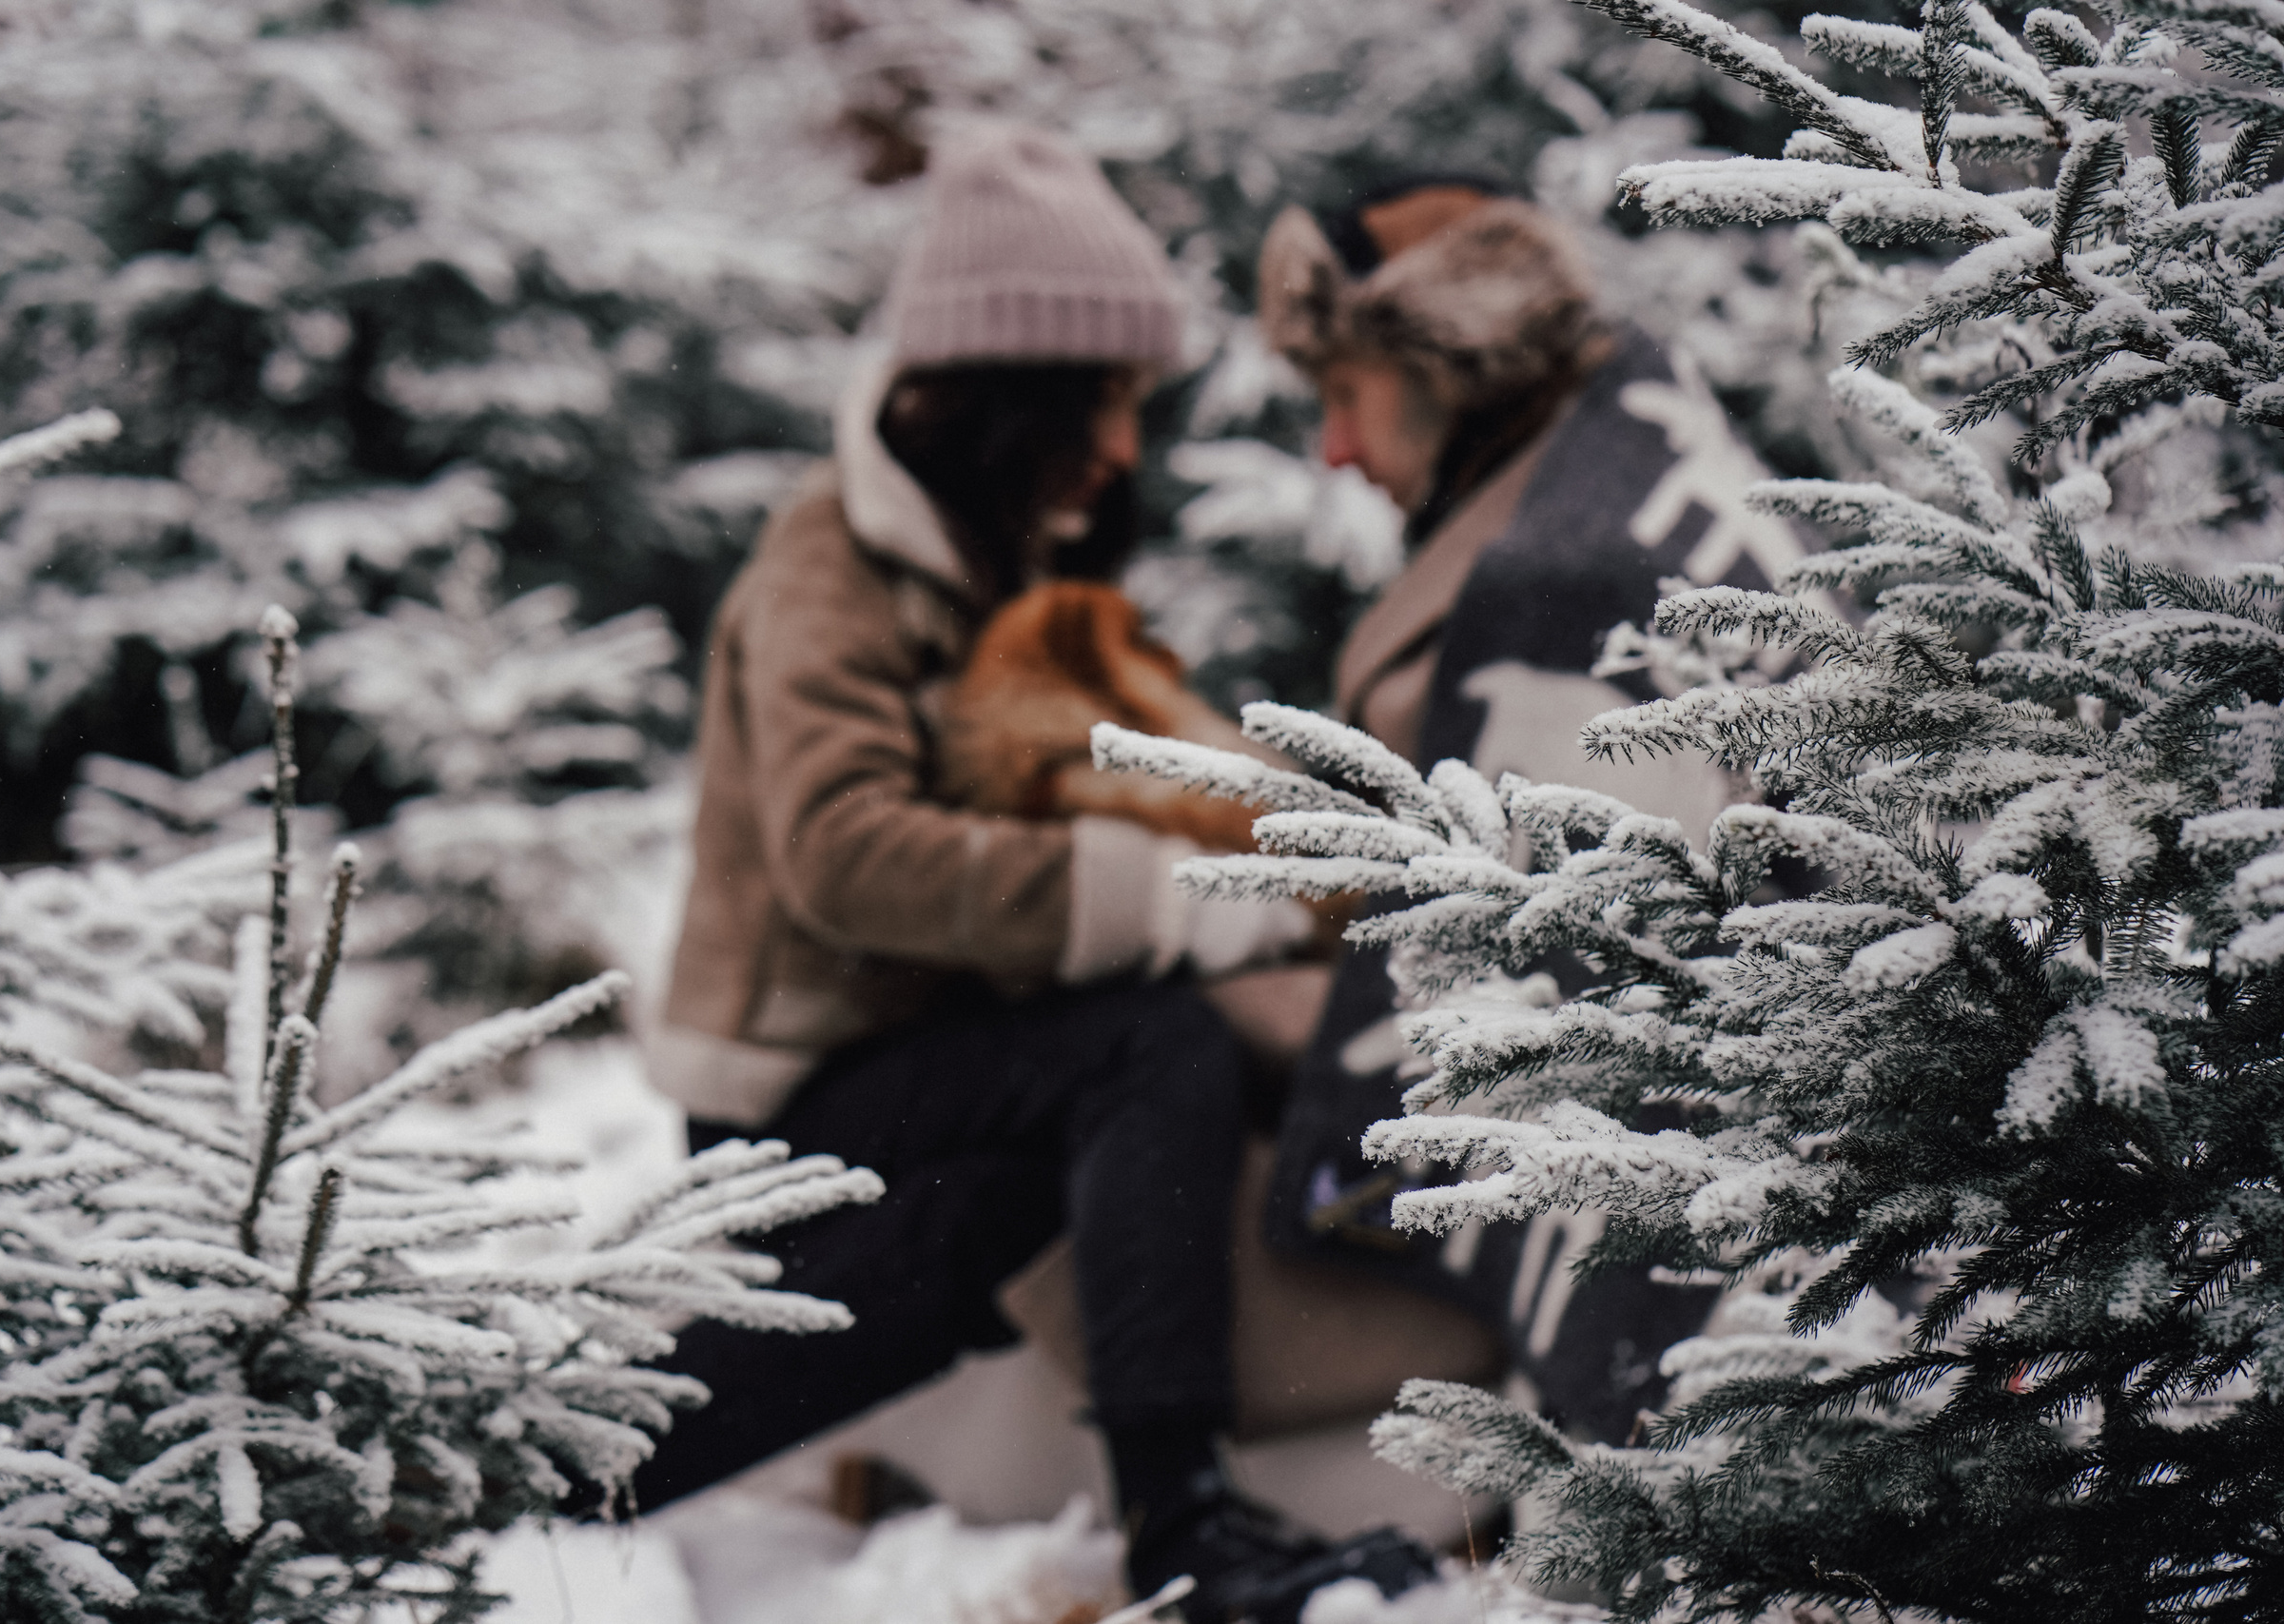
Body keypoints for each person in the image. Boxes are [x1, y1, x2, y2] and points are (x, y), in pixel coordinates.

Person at [635, 124, 1435, 1620]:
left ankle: (553, 1466)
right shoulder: (832, 568)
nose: (1124, 449)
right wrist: (1162, 903)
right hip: (790, 1112)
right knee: (1149, 1049)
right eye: (1101, 408)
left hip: (931, 1067)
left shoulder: (983, 558)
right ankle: (1188, 1522)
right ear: (1003, 399)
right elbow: (842, 857)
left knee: (980, 1225)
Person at [1255, 178, 1804, 1444]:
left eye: (1343, 395)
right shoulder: (1599, 473)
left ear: (1441, 359)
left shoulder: (1564, 572)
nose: (1332, 449)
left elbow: (1544, 970)